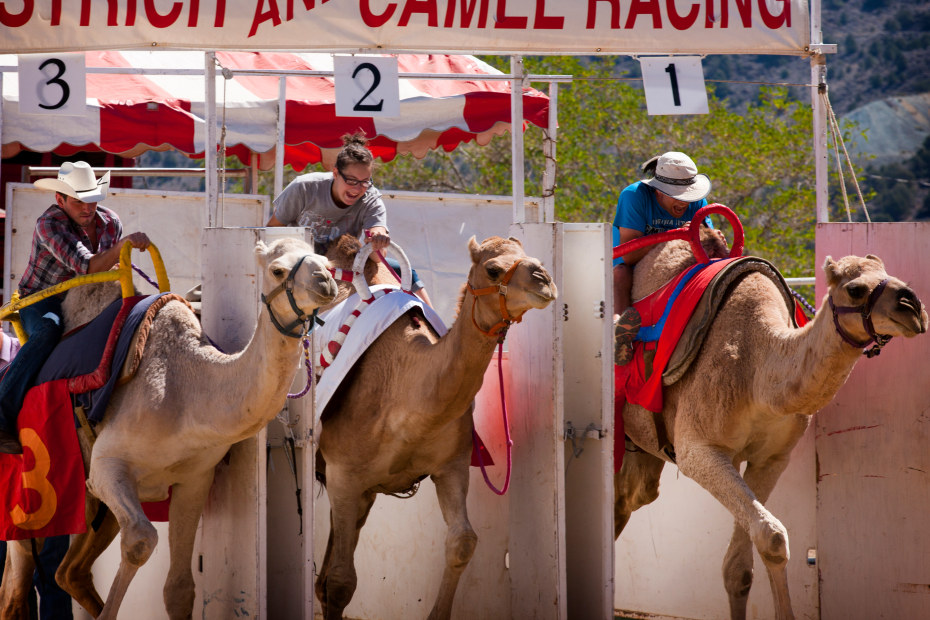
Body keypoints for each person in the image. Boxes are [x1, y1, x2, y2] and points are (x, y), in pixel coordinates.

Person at [0, 161, 151, 454]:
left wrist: (119, 254)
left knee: (133, 318)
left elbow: (106, 269)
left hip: (89, 296)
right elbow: (87, 266)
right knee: (48, 330)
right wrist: (122, 247)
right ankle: (2, 410)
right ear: (60, 200)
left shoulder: (110, 221)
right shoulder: (49, 223)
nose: (87, 208)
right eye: (79, 201)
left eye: (92, 200)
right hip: (44, 297)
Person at [266, 132, 433, 307]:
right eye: (351, 180)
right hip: (300, 261)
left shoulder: (371, 199)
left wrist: (377, 239)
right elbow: (271, 231)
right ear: (336, 173)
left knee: (402, 270)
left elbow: (378, 258)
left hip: (342, 263)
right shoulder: (304, 187)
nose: (357, 188)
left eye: (365, 182)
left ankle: (434, 325)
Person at [612, 151, 712, 366]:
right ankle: (620, 330)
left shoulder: (698, 202)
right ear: (658, 192)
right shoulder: (634, 196)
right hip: (633, 263)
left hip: (677, 262)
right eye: (677, 195)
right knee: (620, 274)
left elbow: (706, 242)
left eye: (688, 194)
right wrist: (676, 236)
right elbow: (628, 255)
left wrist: (713, 239)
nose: (684, 202)